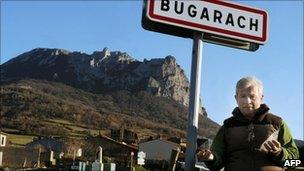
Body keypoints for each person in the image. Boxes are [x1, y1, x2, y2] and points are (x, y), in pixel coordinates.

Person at [197, 76, 299, 171]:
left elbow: (295, 162)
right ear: (236, 98)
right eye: (243, 96)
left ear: (261, 97)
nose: (247, 101)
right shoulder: (228, 127)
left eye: (252, 96)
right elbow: (217, 163)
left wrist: (279, 153)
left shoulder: (277, 123)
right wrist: (211, 158)